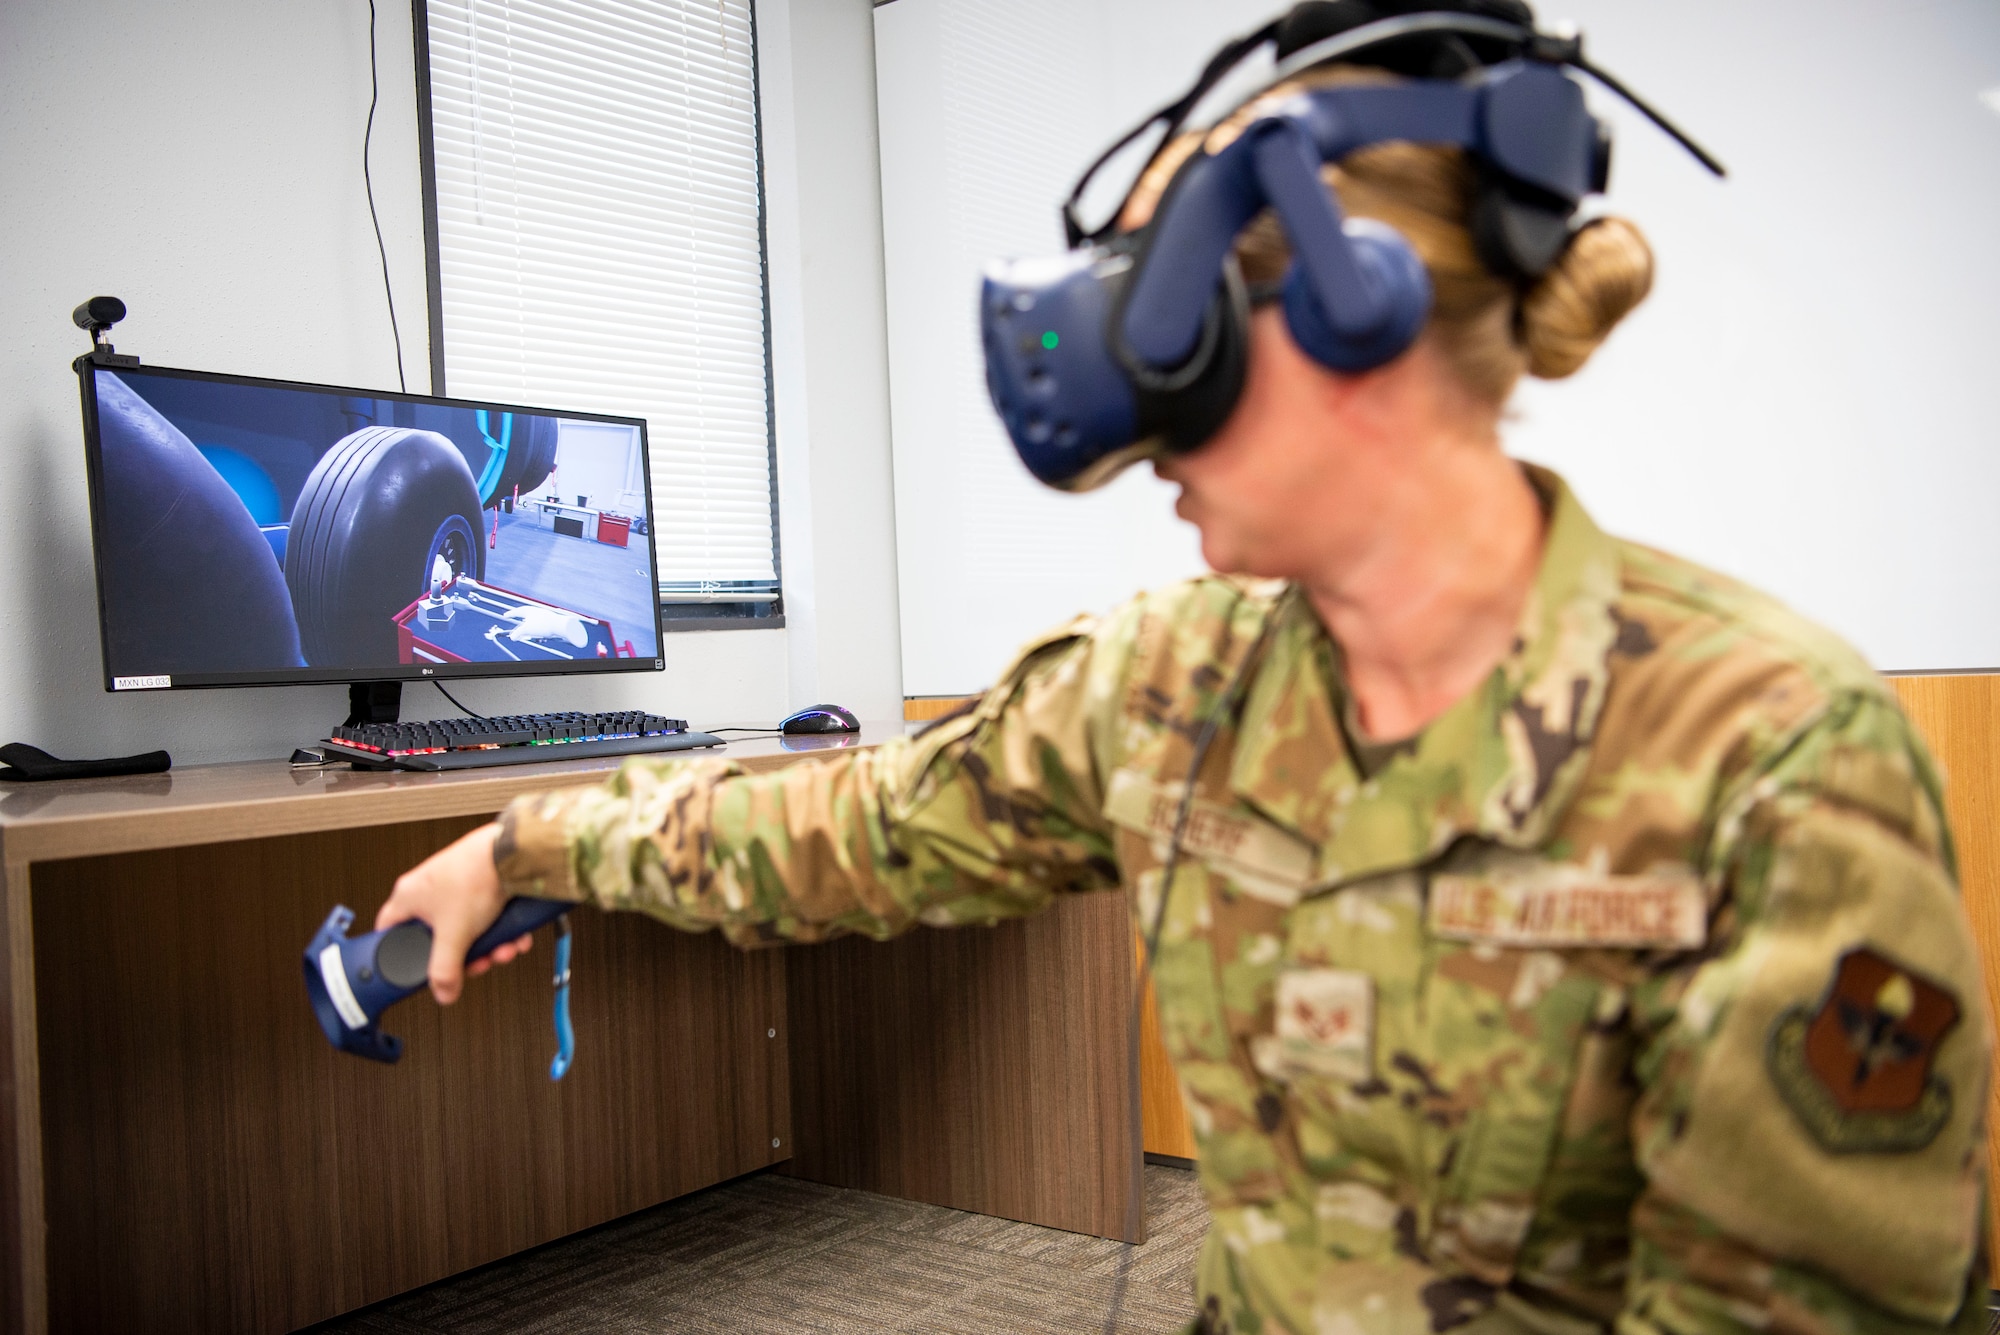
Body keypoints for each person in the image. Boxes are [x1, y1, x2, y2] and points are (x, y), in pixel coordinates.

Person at [381, 5, 1992, 1332]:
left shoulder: (1768, 757)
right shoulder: (1166, 684)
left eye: (1168, 318)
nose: (1131, 408)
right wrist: (517, 843)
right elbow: (851, 830)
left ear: (1355, 307)